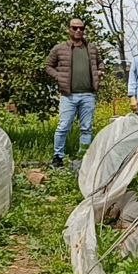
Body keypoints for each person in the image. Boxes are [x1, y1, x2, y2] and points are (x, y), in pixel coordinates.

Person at [46, 18, 102, 167]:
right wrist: (58, 76)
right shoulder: (59, 48)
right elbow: (48, 66)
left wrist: (100, 71)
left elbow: (100, 62)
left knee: (87, 128)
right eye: (74, 28)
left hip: (88, 95)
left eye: (81, 28)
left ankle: (83, 158)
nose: (78, 31)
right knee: (63, 127)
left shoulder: (91, 48)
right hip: (68, 96)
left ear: (84, 30)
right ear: (68, 29)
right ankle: (58, 157)